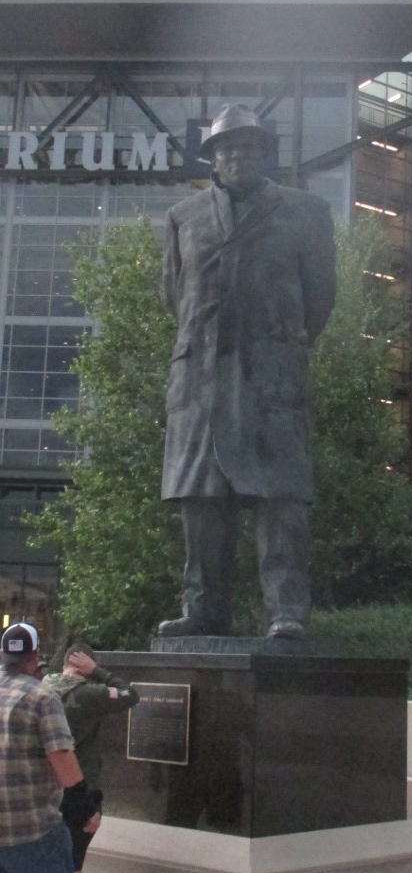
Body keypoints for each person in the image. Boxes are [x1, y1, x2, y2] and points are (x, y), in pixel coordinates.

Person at [159, 103, 336, 641]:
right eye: (227, 148)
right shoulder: (183, 218)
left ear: (268, 155)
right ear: (213, 160)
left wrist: (278, 341)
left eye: (250, 146)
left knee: (280, 501)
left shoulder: (306, 212)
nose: (239, 155)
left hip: (270, 376)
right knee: (202, 503)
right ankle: (205, 610)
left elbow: (320, 295)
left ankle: (286, 612)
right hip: (201, 379)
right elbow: (174, 294)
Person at [0, 623, 97, 873]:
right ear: (37, 655)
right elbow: (62, 758)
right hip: (31, 828)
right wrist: (86, 809)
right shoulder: (42, 696)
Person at [39, 644, 139, 873]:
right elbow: (130, 695)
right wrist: (99, 673)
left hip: (43, 786)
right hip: (80, 789)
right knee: (73, 862)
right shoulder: (91, 694)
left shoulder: (42, 689)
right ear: (85, 665)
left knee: (41, 862)